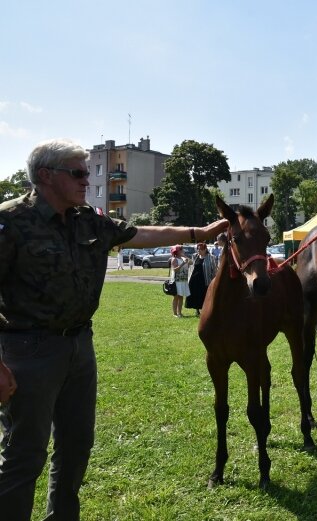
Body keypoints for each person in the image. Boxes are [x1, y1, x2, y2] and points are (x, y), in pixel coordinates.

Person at [0, 138, 227, 520]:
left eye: (87, 172)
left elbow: (140, 234)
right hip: (27, 351)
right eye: (77, 172)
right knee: (25, 454)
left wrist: (197, 233)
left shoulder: (87, 218)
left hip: (79, 347)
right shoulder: (10, 221)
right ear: (45, 176)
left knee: (75, 449)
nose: (86, 180)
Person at [186, 242, 217, 316]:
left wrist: (214, 279)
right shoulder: (195, 256)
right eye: (198, 249)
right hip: (195, 280)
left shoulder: (211, 257)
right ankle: (197, 310)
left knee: (205, 295)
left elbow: (214, 269)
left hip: (205, 279)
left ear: (205, 249)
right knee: (196, 295)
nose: (198, 251)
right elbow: (191, 266)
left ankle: (205, 310)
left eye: (200, 249)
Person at [170, 245, 192, 317]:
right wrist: (183, 263)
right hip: (177, 280)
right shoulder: (174, 259)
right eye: (181, 250)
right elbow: (175, 269)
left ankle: (180, 312)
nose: (183, 251)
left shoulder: (183, 258)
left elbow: (191, 262)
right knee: (176, 297)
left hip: (183, 280)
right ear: (177, 251)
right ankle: (175, 313)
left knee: (181, 296)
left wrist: (185, 256)